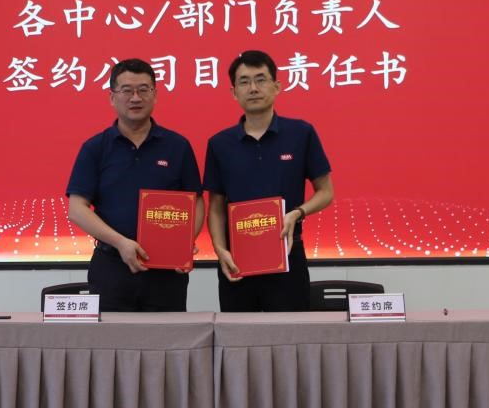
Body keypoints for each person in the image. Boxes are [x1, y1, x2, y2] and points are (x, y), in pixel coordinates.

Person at [66, 58, 204, 312]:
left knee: (168, 337)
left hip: (165, 272)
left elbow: (196, 202)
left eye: (143, 89)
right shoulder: (95, 148)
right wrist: (121, 243)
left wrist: (184, 243)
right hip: (111, 266)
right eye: (127, 90)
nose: (136, 98)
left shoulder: (177, 146)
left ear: (155, 94)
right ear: (112, 97)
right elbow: (77, 209)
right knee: (110, 338)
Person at [203, 50, 334, 312]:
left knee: (289, 333)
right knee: (238, 335)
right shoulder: (219, 144)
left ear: (277, 86)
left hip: (288, 252)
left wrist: (297, 213)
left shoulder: (301, 133)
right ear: (234, 92)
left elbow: (326, 192)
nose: (253, 88)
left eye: (261, 79)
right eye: (244, 82)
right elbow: (215, 208)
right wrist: (219, 250)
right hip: (237, 258)